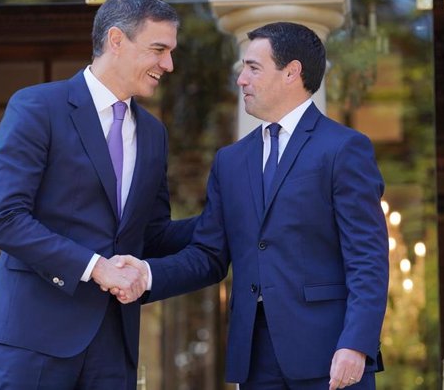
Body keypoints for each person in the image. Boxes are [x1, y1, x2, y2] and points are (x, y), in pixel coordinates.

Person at [120, 22, 389, 389]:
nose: (241, 80)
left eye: (253, 68)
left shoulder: (343, 149)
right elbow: (208, 254)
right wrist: (145, 277)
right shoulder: (230, 161)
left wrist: (356, 344)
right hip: (254, 359)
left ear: (292, 72)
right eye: (242, 69)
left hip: (331, 356)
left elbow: (367, 259)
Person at [0, 0, 195, 389]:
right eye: (158, 49)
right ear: (116, 40)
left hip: (114, 344)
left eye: (170, 52)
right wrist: (96, 267)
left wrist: (229, 220)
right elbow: (4, 219)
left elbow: (151, 234)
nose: (168, 64)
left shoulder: (153, 133)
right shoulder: (37, 108)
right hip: (35, 337)